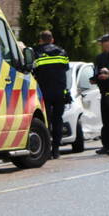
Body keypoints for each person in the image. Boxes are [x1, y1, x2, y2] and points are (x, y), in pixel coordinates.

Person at [33, 30, 70, 158]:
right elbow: (65, 69)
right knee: (58, 120)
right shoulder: (62, 52)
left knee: (46, 121)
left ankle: (46, 151)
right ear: (52, 39)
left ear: (40, 40)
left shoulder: (37, 53)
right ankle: (56, 150)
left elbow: (33, 71)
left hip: (44, 93)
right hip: (60, 92)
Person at [91, 34, 109, 154]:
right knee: (106, 121)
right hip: (103, 92)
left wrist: (107, 75)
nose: (102, 45)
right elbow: (95, 72)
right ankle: (106, 145)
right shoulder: (100, 57)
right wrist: (95, 78)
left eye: (103, 42)